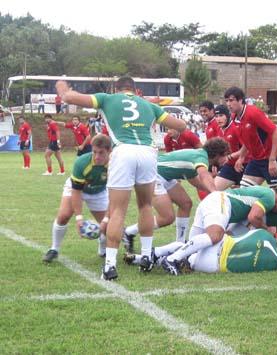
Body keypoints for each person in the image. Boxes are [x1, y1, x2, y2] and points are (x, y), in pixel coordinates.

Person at [56, 76, 186, 281]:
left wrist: (63, 89)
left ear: (117, 89)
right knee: (145, 206)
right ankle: (145, 256)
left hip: (123, 151)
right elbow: (180, 124)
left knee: (118, 210)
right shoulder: (147, 105)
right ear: (134, 90)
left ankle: (109, 266)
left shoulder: (107, 99)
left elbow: (71, 98)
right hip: (148, 152)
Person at [160, 185, 277, 275]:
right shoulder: (270, 197)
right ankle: (172, 259)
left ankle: (152, 256)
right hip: (221, 202)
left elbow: (237, 230)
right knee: (214, 236)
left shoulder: (258, 195)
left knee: (191, 247)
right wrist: (267, 230)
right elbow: (254, 217)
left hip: (214, 201)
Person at [123, 138, 230, 250]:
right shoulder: (201, 158)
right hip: (153, 175)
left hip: (163, 176)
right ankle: (128, 232)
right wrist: (215, 193)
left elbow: (195, 180)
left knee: (186, 203)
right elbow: (204, 175)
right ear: (217, 154)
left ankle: (180, 243)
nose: (227, 159)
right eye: (226, 155)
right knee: (167, 217)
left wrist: (212, 189)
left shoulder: (199, 156)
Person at [42, 134, 112, 263]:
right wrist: (79, 218)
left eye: (101, 153)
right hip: (78, 188)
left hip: (99, 191)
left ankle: (103, 249)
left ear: (109, 151)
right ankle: (54, 249)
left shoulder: (116, 164)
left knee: (108, 226)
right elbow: (76, 192)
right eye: (94, 152)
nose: (97, 157)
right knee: (63, 215)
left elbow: (116, 195)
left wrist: (107, 218)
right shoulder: (82, 162)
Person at [125, 228, 277, 274]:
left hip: (219, 249)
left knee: (198, 242)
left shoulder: (263, 234)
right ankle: (144, 258)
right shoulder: (274, 262)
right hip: (214, 267)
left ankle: (156, 255)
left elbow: (236, 233)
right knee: (189, 254)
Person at [225, 87, 277, 187]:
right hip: (256, 161)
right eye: (226, 101)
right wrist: (241, 157)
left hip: (270, 158)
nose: (228, 104)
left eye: (231, 100)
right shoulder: (234, 117)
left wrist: (272, 160)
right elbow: (248, 140)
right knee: (245, 193)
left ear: (240, 100)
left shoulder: (253, 113)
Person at [212, 105, 246, 190]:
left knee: (242, 196)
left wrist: (233, 157)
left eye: (221, 116)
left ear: (227, 115)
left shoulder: (236, 128)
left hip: (243, 165)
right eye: (216, 116)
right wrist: (215, 163)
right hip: (229, 167)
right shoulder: (218, 129)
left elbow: (247, 147)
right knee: (213, 190)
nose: (218, 119)